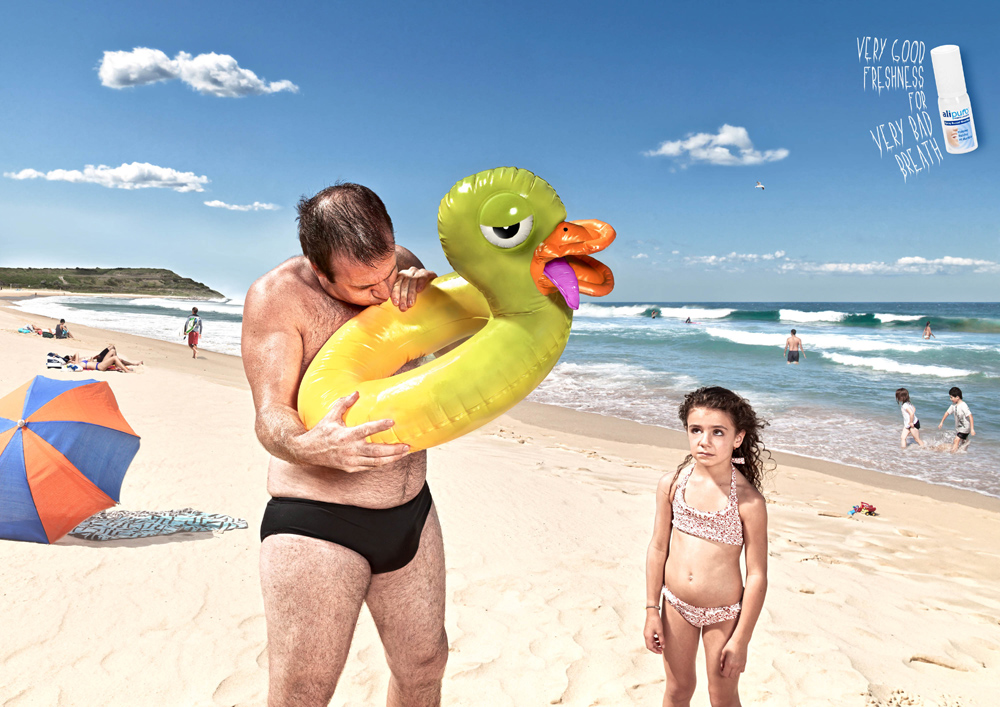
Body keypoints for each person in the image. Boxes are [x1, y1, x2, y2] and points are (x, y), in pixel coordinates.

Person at [241, 183, 446, 706]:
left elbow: (449, 352)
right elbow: (270, 416)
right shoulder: (277, 297)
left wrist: (436, 297)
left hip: (411, 510)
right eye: (364, 286)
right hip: (319, 520)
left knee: (425, 666)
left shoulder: (401, 266)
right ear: (319, 268)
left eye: (388, 274)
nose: (382, 291)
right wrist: (311, 446)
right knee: (305, 692)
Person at [644, 386, 769, 707]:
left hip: (724, 613)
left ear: (738, 438)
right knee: (678, 689)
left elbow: (757, 575)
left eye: (718, 432)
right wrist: (651, 609)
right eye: (696, 430)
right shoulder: (672, 484)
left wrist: (741, 639)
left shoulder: (748, 501)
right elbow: (658, 548)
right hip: (675, 606)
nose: (705, 441)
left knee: (722, 696)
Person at [938, 386, 975, 452]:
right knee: (963, 442)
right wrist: (941, 422)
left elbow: (970, 416)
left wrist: (972, 429)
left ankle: (953, 453)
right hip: (959, 427)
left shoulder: (963, 405)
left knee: (956, 440)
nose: (950, 399)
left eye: (951, 397)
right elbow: (947, 413)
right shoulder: (953, 405)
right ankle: (962, 453)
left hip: (965, 427)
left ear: (957, 397)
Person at [68, 344, 142, 372]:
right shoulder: (77, 364)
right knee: (115, 358)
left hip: (99, 363)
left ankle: (117, 365)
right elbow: (77, 353)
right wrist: (71, 360)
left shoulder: (80, 362)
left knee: (112, 350)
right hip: (100, 366)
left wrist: (92, 359)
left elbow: (77, 355)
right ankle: (126, 370)